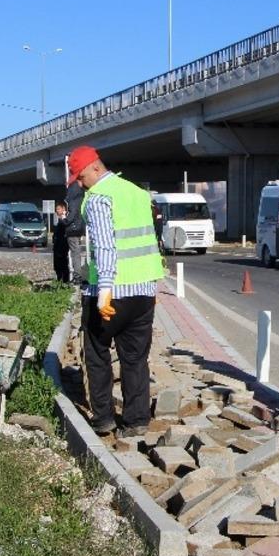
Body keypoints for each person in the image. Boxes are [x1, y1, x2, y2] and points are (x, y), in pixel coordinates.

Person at [72, 145, 165, 437]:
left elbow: (106, 246)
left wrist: (104, 291)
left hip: (112, 294)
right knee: (135, 358)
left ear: (95, 169)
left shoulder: (99, 197)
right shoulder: (137, 193)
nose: (78, 182)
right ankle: (137, 420)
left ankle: (103, 418)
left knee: (97, 353)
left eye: (80, 176)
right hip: (144, 291)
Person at [64, 179, 87, 286]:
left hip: (72, 229)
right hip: (80, 228)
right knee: (77, 253)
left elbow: (71, 215)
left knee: (75, 254)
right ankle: (79, 275)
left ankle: (77, 276)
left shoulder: (73, 201)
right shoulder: (81, 198)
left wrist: (64, 221)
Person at [52, 202, 71, 283]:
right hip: (56, 244)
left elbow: (65, 228)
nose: (57, 211)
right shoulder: (58, 219)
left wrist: (63, 216)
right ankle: (59, 279)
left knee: (63, 263)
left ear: (63, 209)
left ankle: (65, 281)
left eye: (58, 209)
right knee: (56, 265)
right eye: (56, 209)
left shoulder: (64, 219)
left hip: (62, 244)